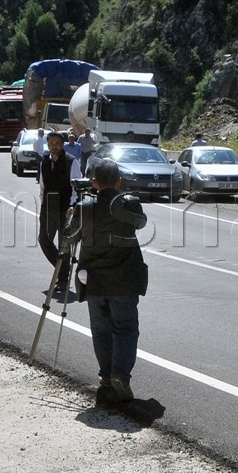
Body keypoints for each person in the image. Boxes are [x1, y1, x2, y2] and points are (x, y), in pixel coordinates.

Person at [61, 158, 148, 402]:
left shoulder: (84, 208)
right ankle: (121, 374)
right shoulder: (130, 204)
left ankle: (106, 376)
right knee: (125, 328)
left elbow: (68, 240)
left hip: (94, 280)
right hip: (125, 280)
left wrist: (71, 216)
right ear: (119, 181)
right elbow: (141, 224)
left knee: (100, 330)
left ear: (94, 182)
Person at [38, 130, 82, 292]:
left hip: (65, 208)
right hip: (48, 207)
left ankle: (62, 279)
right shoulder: (44, 161)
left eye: (56, 144)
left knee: (64, 245)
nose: (53, 147)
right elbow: (42, 186)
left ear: (62, 145)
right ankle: (63, 268)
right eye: (51, 144)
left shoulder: (72, 162)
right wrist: (43, 203)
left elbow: (76, 187)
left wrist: (72, 206)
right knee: (43, 239)